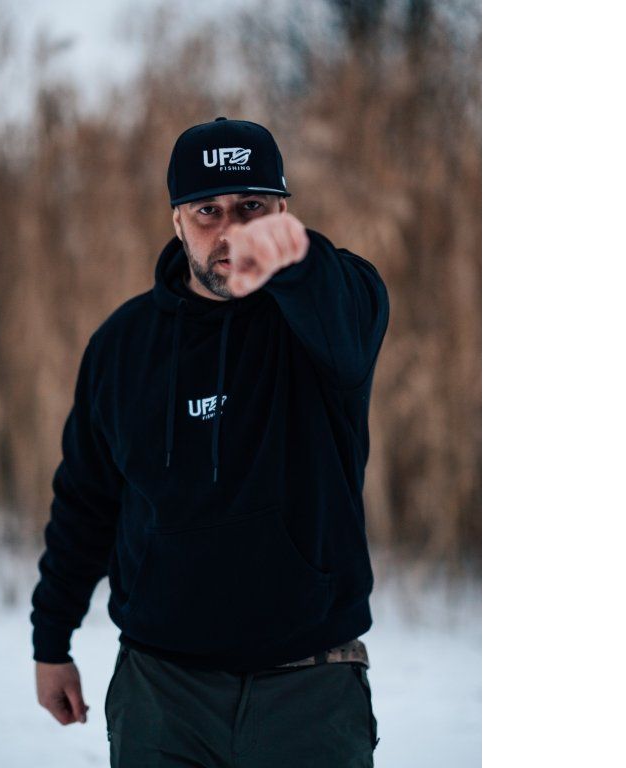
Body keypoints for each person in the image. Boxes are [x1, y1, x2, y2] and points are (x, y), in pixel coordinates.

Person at [30, 116, 389, 766]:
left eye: (252, 208)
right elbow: (86, 502)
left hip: (311, 689)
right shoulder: (122, 346)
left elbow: (341, 316)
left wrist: (291, 256)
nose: (231, 232)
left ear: (283, 213)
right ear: (176, 221)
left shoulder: (331, 316)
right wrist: (51, 639)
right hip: (161, 695)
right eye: (208, 211)